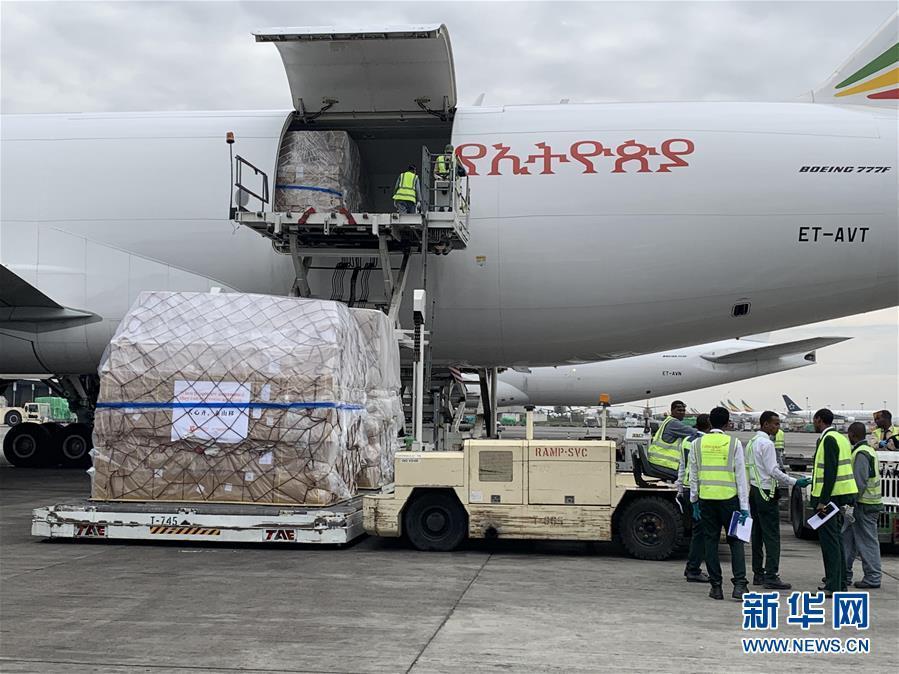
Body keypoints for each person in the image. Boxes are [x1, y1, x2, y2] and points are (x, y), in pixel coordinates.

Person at [689, 406, 750, 601]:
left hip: (706, 500)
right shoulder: (733, 443)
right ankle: (740, 585)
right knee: (736, 541)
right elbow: (741, 477)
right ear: (727, 423)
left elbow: (693, 475)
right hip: (729, 500)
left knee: (710, 542)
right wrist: (744, 507)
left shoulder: (696, 444)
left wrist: (694, 500)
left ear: (710, 422)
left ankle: (716, 587)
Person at [746, 411, 811, 590]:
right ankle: (771, 575)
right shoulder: (766, 444)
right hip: (766, 491)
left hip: (754, 490)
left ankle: (758, 573)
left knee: (757, 534)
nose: (778, 427)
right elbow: (773, 471)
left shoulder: (752, 442)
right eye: (775, 424)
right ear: (765, 424)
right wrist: (794, 481)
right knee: (772, 536)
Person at [811, 409, 858, 595]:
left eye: (814, 420)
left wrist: (822, 501)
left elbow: (830, 473)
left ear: (819, 420)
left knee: (830, 542)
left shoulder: (828, 440)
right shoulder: (840, 438)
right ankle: (840, 583)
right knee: (836, 540)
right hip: (841, 495)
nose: (814, 424)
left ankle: (833, 586)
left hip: (830, 498)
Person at [844, 421, 882, 589]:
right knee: (848, 539)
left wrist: (851, 502)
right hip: (868, 502)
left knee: (867, 542)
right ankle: (843, 573)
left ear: (852, 434)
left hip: (864, 504)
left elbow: (860, 482)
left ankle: (873, 577)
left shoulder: (861, 454)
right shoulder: (869, 450)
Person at [677, 413, 711, 583]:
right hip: (697, 490)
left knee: (696, 532)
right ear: (709, 425)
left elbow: (682, 466)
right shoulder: (704, 443)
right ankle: (693, 569)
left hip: (686, 487)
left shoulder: (686, 441)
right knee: (701, 533)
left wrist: (679, 488)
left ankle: (692, 567)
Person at [647, 400, 700, 476]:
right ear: (672, 411)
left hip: (656, 460)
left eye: (683, 411)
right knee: (689, 475)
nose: (682, 413)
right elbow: (695, 433)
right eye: (679, 410)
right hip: (663, 463)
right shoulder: (673, 423)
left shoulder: (668, 420)